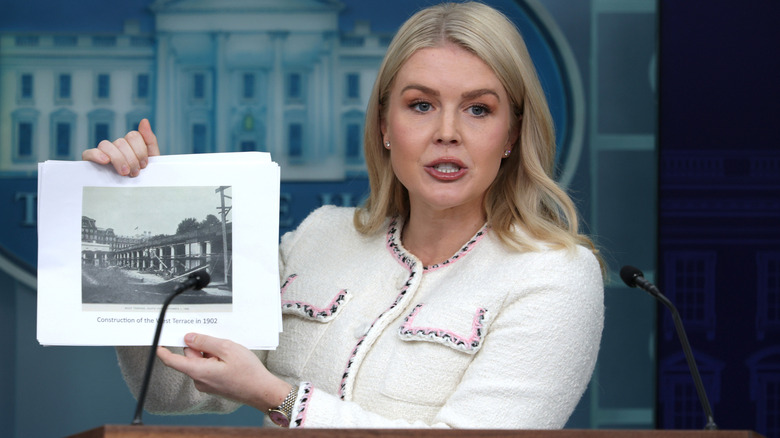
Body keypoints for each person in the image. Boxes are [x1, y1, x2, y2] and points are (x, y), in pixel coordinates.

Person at [83, 1, 604, 429]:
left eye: (478, 109)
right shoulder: (316, 238)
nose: (447, 131)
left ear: (512, 133)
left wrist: (278, 398)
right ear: (384, 125)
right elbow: (170, 390)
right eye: (421, 105)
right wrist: (134, 200)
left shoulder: (554, 274)